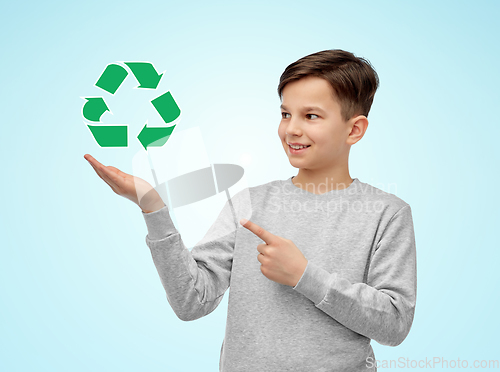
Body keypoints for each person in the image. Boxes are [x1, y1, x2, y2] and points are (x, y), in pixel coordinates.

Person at [84, 49, 417, 372]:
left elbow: (395, 324)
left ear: (354, 129)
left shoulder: (387, 213)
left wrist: (305, 275)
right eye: (286, 114)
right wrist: (153, 208)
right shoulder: (248, 203)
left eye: (311, 116)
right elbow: (191, 301)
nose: (291, 129)